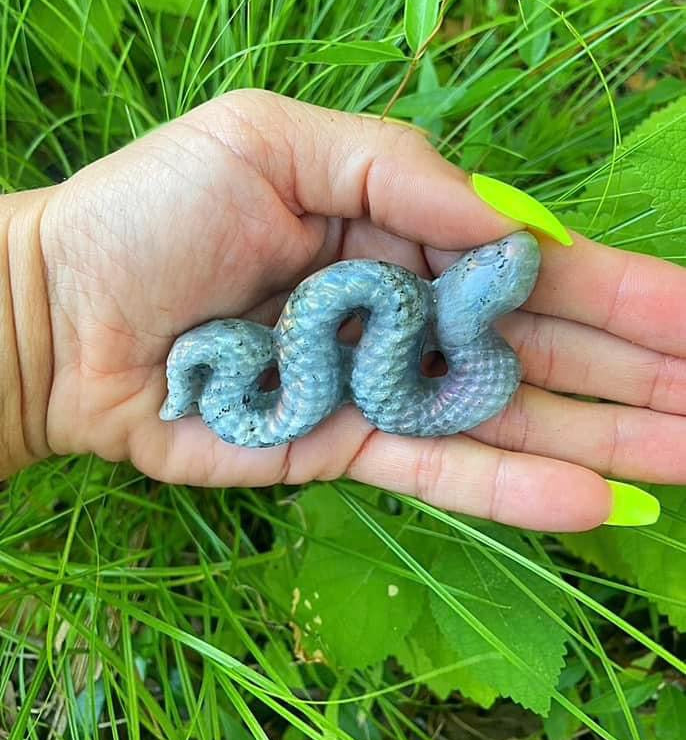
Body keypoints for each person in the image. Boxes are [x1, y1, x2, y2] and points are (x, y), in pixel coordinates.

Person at [1, 90, 683, 531]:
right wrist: (40, 296)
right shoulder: (413, 312)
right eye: (488, 262)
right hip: (322, 364)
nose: (488, 256)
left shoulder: (449, 333)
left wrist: (34, 304)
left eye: (493, 269)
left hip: (377, 366)